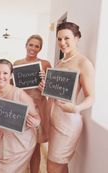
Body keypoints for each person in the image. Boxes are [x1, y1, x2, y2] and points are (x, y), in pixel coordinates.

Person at [45, 22, 95, 173]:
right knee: (60, 165)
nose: (62, 43)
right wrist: (45, 87)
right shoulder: (60, 62)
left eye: (67, 38)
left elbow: (91, 96)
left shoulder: (83, 63)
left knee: (53, 167)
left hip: (68, 122)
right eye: (59, 39)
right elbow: (55, 92)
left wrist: (76, 107)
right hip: (54, 119)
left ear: (77, 38)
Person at [0, 59, 41, 173]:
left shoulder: (19, 94)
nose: (1, 76)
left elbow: (36, 116)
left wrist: (36, 122)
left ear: (10, 76)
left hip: (18, 145)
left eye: (5, 73)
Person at [14, 34, 51, 173]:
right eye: (31, 45)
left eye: (37, 46)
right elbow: (11, 86)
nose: (33, 48)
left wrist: (45, 80)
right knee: (21, 143)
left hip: (38, 107)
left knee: (35, 145)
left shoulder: (45, 64)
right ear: (26, 45)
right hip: (21, 107)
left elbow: (51, 89)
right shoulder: (17, 64)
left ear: (40, 49)